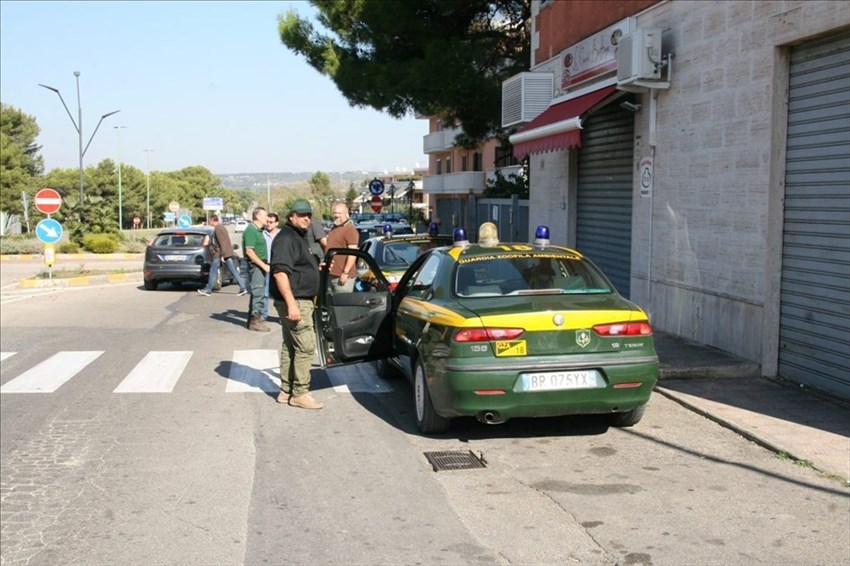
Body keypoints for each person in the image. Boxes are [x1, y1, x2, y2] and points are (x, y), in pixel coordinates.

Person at [269, 199, 323, 410]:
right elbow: (280, 273)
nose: (306, 218)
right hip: (296, 300)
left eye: (308, 215)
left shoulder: (297, 237)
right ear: (291, 216)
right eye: (301, 215)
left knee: (291, 345)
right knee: (306, 346)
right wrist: (292, 304)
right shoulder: (286, 238)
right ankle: (300, 393)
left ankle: (286, 390)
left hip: (298, 299)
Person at [197, 214, 249, 297]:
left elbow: (222, 242)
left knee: (213, 271)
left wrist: (223, 255)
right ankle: (243, 287)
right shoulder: (222, 227)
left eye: (209, 220)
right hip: (225, 253)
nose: (209, 222)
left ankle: (208, 290)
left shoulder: (218, 228)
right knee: (233, 271)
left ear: (212, 220)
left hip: (220, 254)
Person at [242, 207, 270, 332]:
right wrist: (263, 265)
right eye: (265, 216)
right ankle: (255, 320)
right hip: (257, 266)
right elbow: (249, 251)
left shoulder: (259, 231)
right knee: (258, 292)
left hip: (261, 265)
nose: (267, 218)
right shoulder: (251, 230)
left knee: (257, 292)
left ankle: (252, 319)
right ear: (257, 216)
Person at [325, 203, 360, 293]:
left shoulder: (350, 229)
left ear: (346, 214)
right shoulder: (334, 228)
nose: (336, 215)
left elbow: (352, 253)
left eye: (339, 213)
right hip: (330, 275)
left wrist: (345, 272)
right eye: (335, 213)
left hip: (343, 277)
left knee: (342, 305)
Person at [262, 212, 281, 319]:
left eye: (271, 222)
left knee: (281, 292)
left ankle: (282, 317)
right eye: (267, 222)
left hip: (279, 266)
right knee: (265, 292)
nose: (268, 224)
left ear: (276, 223)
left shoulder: (282, 234)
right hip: (266, 265)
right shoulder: (262, 234)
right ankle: (263, 315)